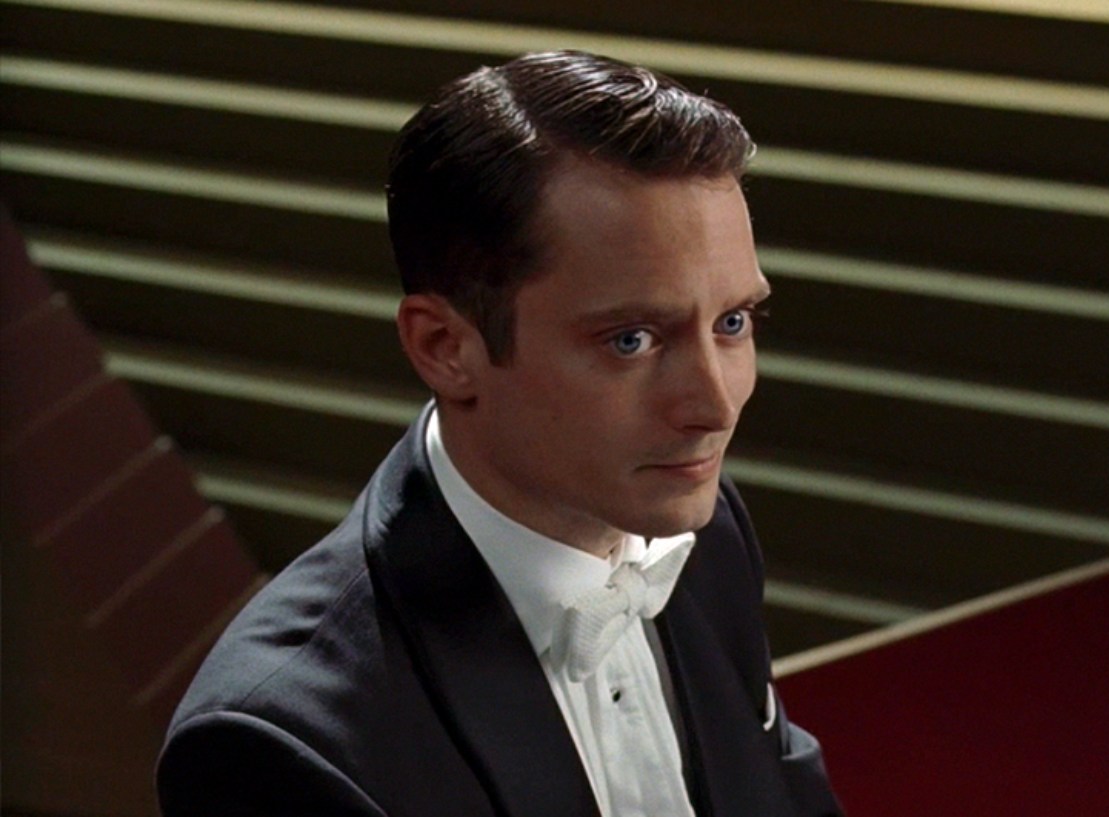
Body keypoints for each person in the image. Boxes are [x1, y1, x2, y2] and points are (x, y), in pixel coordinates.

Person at [156, 50, 842, 816]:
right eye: (631, 340)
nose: (714, 406)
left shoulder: (708, 534)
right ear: (445, 348)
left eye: (733, 322)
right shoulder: (279, 742)